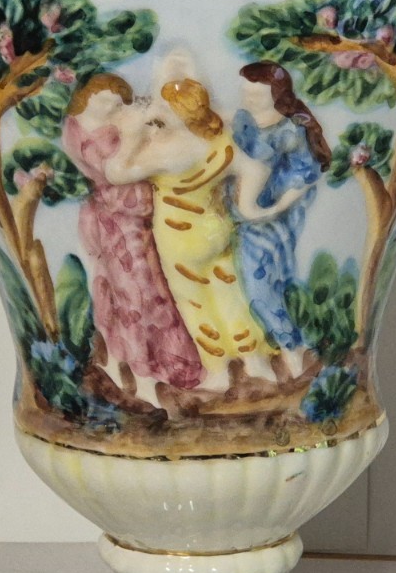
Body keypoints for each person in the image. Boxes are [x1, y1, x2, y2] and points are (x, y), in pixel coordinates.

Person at [108, 56, 293, 393]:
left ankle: (218, 369)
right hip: (216, 228)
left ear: (177, 116)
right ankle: (255, 361)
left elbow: (116, 173)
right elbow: (256, 168)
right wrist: (248, 207)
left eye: (165, 109)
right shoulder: (219, 139)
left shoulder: (166, 152)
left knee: (195, 302)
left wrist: (131, 137)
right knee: (230, 294)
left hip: (180, 240)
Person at [61, 73, 201, 404]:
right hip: (116, 221)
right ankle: (140, 367)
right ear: (88, 97)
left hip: (133, 217)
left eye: (116, 102)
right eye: (106, 100)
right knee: (132, 292)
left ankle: (158, 364)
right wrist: (138, 135)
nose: (113, 108)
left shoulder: (113, 121)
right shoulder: (78, 130)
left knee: (149, 287)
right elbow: (116, 172)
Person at [230, 62, 331, 375]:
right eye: (246, 92)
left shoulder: (291, 130)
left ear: (276, 95)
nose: (248, 98)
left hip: (270, 221)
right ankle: (274, 348)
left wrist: (272, 210)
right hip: (241, 217)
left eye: (256, 95)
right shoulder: (243, 119)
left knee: (261, 286)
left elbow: (305, 176)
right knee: (245, 284)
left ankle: (291, 347)